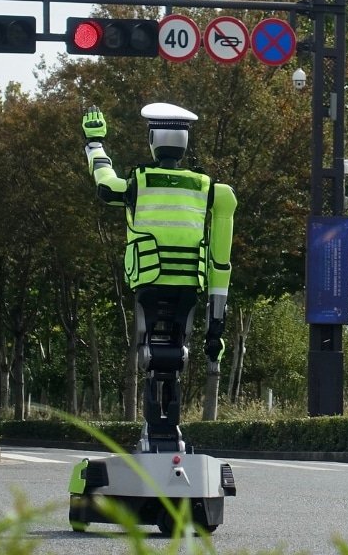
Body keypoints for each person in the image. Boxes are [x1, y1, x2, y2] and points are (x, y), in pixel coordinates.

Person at [82, 103, 236, 452]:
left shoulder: (139, 182)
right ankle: (170, 432)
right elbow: (220, 261)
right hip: (188, 287)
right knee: (177, 353)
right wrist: (217, 324)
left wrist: (95, 144)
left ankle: (155, 433)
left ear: (153, 141)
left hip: (149, 282)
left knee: (152, 352)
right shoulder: (212, 189)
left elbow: (106, 185)